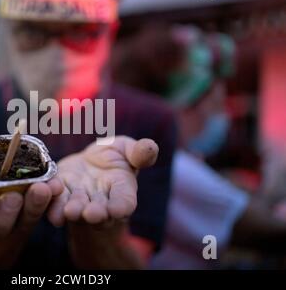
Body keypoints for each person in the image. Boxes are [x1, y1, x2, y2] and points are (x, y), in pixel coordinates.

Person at [0, 0, 177, 269]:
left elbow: (133, 262)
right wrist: (8, 215)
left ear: (111, 28)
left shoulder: (150, 123)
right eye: (33, 32)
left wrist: (99, 228)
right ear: (9, 27)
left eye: (80, 31)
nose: (59, 55)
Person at [113, 25, 286, 269]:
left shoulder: (154, 156)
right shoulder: (172, 166)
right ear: (184, 104)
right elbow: (270, 233)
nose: (221, 116)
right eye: (215, 104)